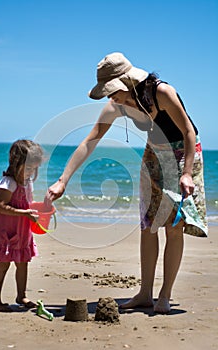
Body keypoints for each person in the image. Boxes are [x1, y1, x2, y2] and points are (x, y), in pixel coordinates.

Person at [46, 52, 207, 314]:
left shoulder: (162, 93)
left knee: (173, 226)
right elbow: (90, 141)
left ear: (127, 81)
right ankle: (145, 293)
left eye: (112, 91)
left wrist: (187, 173)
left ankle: (165, 295)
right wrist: (63, 180)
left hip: (183, 155)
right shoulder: (116, 105)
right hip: (153, 153)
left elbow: (189, 132)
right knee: (148, 224)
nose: (111, 98)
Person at [0, 139, 44, 311]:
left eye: (33, 169)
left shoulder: (28, 182)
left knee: (23, 261)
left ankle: (21, 296)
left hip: (21, 229)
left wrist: (40, 209)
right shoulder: (8, 182)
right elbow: (1, 207)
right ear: (15, 163)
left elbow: (28, 202)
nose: (30, 172)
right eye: (27, 168)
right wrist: (24, 213)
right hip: (4, 229)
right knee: (4, 263)